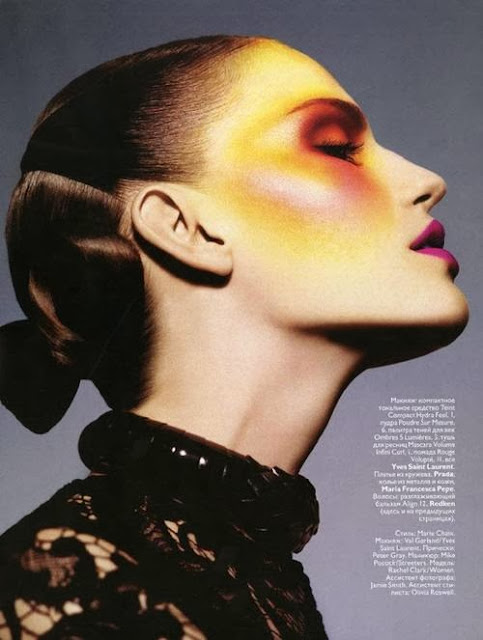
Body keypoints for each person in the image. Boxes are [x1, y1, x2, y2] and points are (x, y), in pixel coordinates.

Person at [0, 34, 468, 639]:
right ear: (185, 228)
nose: (428, 180)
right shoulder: (69, 590)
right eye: (336, 147)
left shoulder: (243, 575)